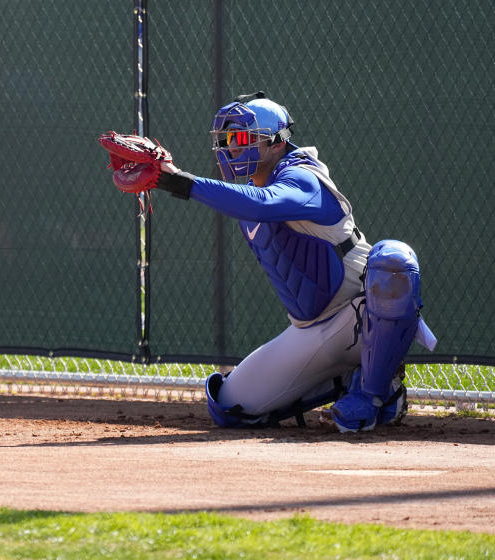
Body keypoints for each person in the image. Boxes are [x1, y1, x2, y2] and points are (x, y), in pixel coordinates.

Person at [105, 92, 436, 432]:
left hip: (361, 316)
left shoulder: (304, 177)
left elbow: (265, 204)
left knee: (394, 260)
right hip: (313, 329)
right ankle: (351, 377)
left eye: (242, 138)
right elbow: (254, 202)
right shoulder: (249, 191)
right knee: (230, 406)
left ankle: (376, 393)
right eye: (226, 139)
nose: (231, 148)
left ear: (277, 142)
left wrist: (175, 180)